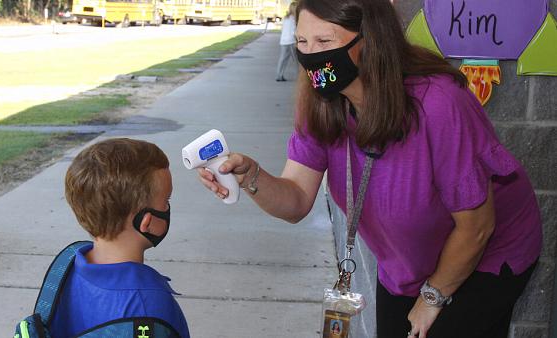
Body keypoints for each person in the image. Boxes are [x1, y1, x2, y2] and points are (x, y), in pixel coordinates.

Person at [197, 0, 543, 337]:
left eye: (324, 42)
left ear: (370, 41)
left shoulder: (439, 104)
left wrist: (432, 297)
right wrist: (251, 176)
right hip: (408, 261)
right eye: (302, 42)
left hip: (486, 253)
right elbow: (296, 201)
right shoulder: (320, 102)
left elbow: (477, 227)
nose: (311, 55)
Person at [49, 138, 190, 338]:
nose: (167, 208)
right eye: (166, 201)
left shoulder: (67, 267)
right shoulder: (147, 305)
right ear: (146, 222)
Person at [275, 2, 297, 82]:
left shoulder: (285, 18)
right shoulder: (294, 18)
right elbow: (294, 31)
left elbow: (282, 29)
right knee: (296, 60)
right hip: (291, 41)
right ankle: (300, 77)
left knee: (283, 59)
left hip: (283, 41)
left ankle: (279, 75)